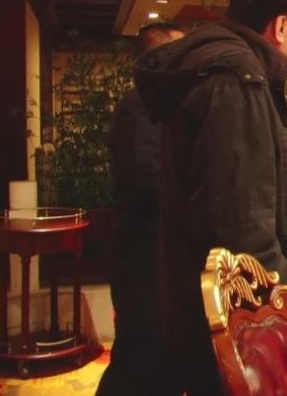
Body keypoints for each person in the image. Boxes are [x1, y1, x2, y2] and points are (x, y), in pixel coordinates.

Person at [134, 0, 287, 394]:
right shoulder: (236, 83)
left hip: (220, 310)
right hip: (248, 320)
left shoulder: (225, 72)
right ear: (281, 26)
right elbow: (243, 228)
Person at [97, 22, 184, 396]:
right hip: (143, 255)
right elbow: (148, 179)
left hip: (162, 253)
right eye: (181, 52)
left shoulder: (162, 107)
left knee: (164, 359)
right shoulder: (136, 107)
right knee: (140, 357)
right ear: (159, 58)